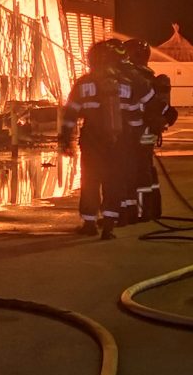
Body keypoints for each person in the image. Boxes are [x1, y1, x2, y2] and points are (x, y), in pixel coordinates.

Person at [58, 39, 140, 239]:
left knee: (90, 180)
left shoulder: (84, 83)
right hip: (119, 141)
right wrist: (135, 142)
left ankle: (89, 223)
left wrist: (65, 139)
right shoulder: (125, 84)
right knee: (114, 181)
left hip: (92, 141)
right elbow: (135, 116)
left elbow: (71, 113)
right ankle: (109, 226)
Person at [122, 39, 178, 223]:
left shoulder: (134, 78)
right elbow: (164, 109)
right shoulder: (148, 75)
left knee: (136, 171)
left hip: (136, 132)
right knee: (146, 170)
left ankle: (139, 213)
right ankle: (152, 209)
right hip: (147, 132)